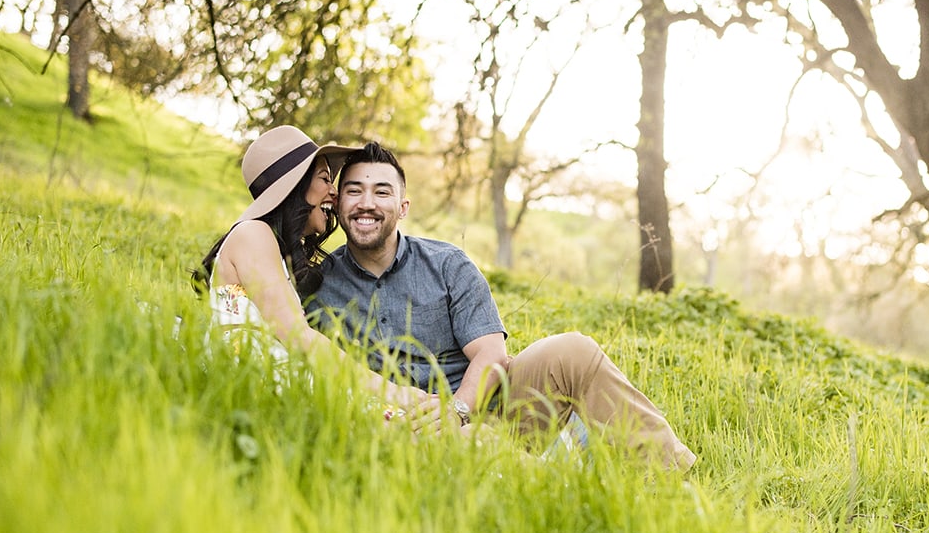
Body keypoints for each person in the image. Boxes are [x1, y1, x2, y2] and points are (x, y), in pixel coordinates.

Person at [305, 141, 696, 472]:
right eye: (355, 191)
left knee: (574, 350)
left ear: (403, 207)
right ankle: (561, 480)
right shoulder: (320, 285)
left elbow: (492, 355)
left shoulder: (447, 264)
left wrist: (457, 411)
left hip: (486, 412)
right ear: (338, 203)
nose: (367, 203)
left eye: (382, 192)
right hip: (400, 433)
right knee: (480, 452)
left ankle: (669, 479)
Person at [194, 126, 435, 424]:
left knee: (430, 431)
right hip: (263, 385)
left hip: (279, 381)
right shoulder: (253, 234)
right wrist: (393, 392)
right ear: (296, 185)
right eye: (324, 178)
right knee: (409, 427)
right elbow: (299, 338)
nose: (334, 192)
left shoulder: (267, 244)